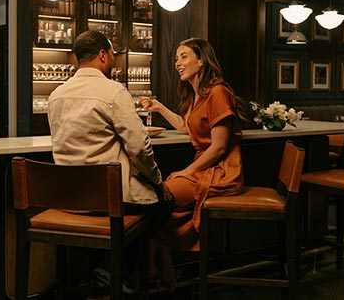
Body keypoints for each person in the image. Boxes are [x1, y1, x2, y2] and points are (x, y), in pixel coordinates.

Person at [48, 30, 173, 289]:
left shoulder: (56, 94)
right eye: (112, 54)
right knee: (164, 204)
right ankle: (118, 271)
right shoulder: (114, 91)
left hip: (68, 199)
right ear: (102, 55)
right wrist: (158, 180)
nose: (114, 60)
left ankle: (100, 274)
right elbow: (139, 147)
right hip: (106, 200)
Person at [139, 37, 246, 288]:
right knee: (160, 205)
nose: (177, 62)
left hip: (221, 171)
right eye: (176, 58)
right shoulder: (197, 95)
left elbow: (219, 146)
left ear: (201, 61)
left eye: (184, 56)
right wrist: (160, 108)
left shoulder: (218, 92)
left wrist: (186, 171)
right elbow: (187, 127)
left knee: (158, 199)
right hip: (204, 168)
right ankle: (163, 270)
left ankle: (150, 269)